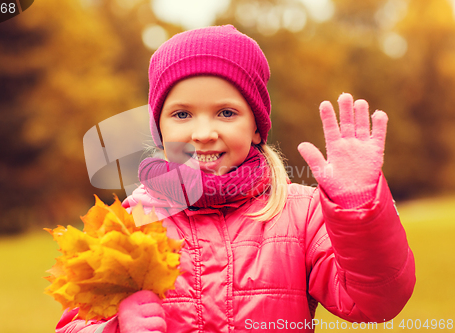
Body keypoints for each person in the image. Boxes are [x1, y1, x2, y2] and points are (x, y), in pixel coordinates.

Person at [56, 25, 415, 333]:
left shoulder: (300, 214)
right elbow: (76, 321)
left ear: (256, 127)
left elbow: (377, 302)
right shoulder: (129, 222)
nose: (203, 132)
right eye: (182, 114)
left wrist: (359, 211)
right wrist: (114, 327)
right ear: (160, 130)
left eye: (226, 112)